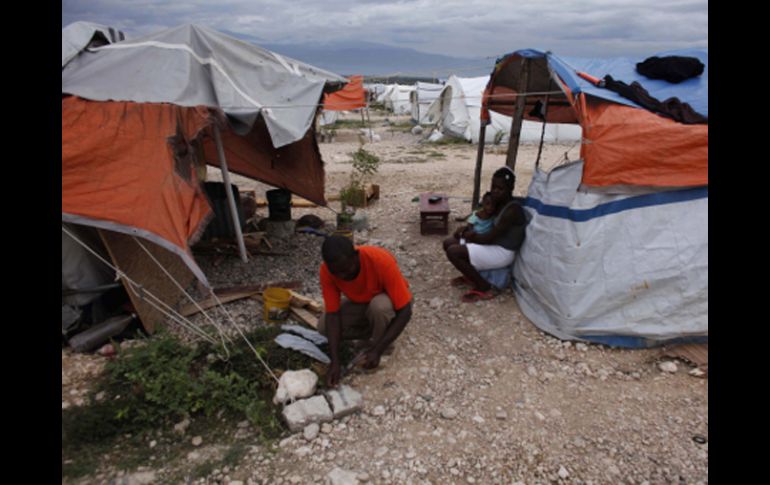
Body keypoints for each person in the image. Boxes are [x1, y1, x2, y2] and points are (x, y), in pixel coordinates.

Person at [318, 235, 413, 387]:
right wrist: (334, 362)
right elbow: (333, 315)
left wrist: (378, 350)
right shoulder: (327, 272)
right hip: (362, 303)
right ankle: (373, 334)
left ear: (356, 256)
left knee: (379, 307)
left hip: (389, 302)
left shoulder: (380, 260)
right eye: (337, 273)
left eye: (346, 269)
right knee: (323, 326)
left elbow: (405, 311)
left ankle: (382, 346)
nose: (342, 276)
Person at [443, 166, 527, 302]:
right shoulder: (498, 203)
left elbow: (488, 238)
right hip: (493, 244)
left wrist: (469, 235)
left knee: (454, 252)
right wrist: (465, 229)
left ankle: (483, 286)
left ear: (511, 188)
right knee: (448, 243)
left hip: (503, 252)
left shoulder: (512, 210)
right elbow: (481, 218)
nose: (495, 192)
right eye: (493, 187)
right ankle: (471, 276)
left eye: (500, 189)